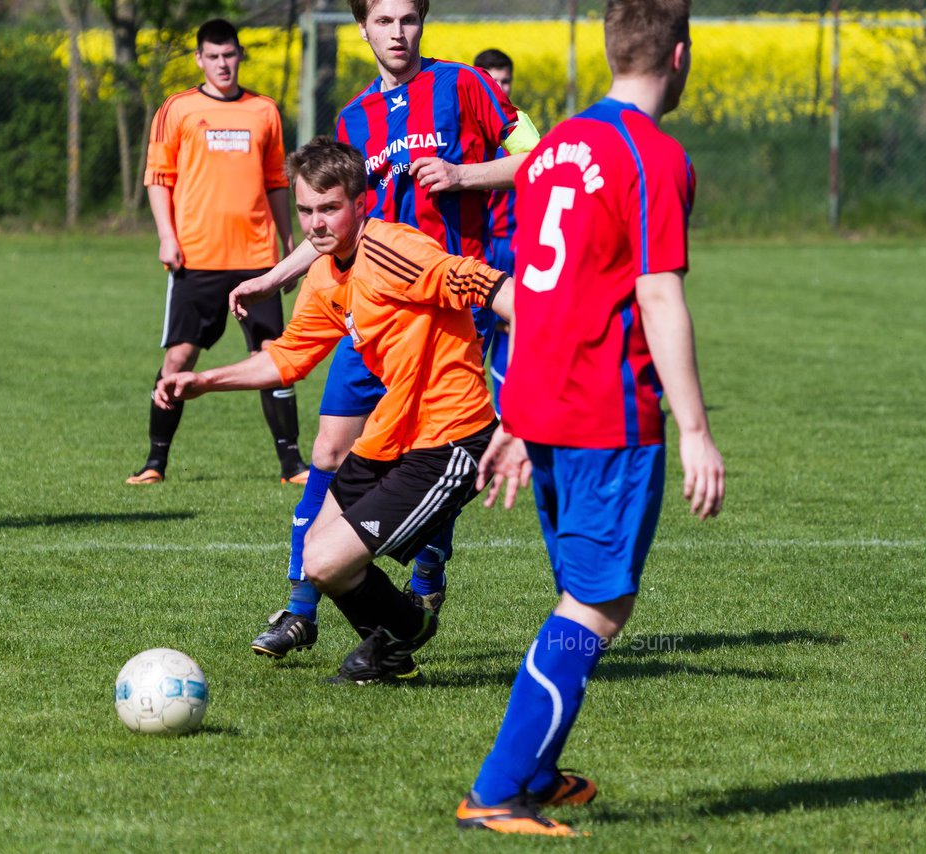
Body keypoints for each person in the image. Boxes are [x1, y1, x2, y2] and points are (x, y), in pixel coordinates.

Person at [455, 0, 725, 836]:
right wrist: (696, 429)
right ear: (679, 56)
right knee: (597, 608)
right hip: (609, 418)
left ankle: (534, 773)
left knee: (585, 594)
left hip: (546, 409)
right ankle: (496, 793)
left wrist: (514, 413)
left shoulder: (551, 152)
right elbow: (657, 292)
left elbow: (536, 291)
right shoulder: (652, 155)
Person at [236, 0, 540, 662]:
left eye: (408, 19)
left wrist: (465, 175)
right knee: (329, 449)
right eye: (384, 21)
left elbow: (541, 161)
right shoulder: (353, 118)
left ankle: (423, 589)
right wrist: (274, 275)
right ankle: (301, 606)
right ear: (363, 28)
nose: (397, 33)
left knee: (439, 446)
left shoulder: (468, 85)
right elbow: (330, 221)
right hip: (364, 311)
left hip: (442, 312)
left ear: (422, 21)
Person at [158, 137, 513, 683]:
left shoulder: (395, 250)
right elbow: (288, 358)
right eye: (305, 210)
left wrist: (540, 357)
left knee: (327, 562)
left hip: (450, 438)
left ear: (361, 203)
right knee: (316, 559)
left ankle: (400, 635)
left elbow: (486, 286)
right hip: (389, 438)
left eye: (329, 208)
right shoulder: (324, 273)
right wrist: (204, 380)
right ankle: (397, 641)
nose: (316, 223)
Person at [127, 18, 307, 486]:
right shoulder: (177, 108)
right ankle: (154, 462)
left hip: (257, 258)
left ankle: (292, 465)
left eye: (230, 55)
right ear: (199, 59)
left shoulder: (264, 110)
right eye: (213, 56)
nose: (223, 64)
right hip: (197, 258)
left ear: (240, 55)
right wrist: (167, 235)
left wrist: (290, 247)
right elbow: (158, 179)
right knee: (179, 358)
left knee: (274, 359)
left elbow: (277, 184)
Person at [472, 48, 517, 414]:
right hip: (478, 250)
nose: (499, 88)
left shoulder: (519, 135)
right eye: (492, 81)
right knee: (474, 339)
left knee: (515, 334)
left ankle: (508, 415)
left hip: (516, 247)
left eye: (505, 81)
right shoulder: (464, 135)